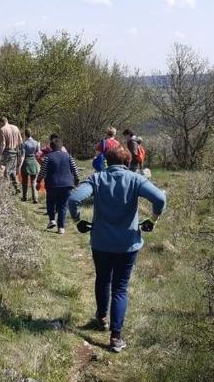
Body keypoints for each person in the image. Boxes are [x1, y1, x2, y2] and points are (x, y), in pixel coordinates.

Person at [67, 145, 166, 353]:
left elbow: (74, 199)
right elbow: (160, 198)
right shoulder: (135, 179)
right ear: (127, 162)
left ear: (107, 162)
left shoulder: (97, 178)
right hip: (127, 244)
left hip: (101, 242)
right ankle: (115, 337)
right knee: (120, 288)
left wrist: (78, 221)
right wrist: (153, 220)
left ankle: (101, 318)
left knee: (103, 279)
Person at [36, 137, 79, 234]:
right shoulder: (68, 156)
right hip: (67, 184)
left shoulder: (48, 157)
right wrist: (76, 181)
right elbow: (75, 169)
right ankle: (61, 227)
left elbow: (43, 171)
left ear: (51, 147)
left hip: (52, 184)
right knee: (63, 206)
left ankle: (52, 220)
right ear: (61, 146)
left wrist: (38, 181)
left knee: (50, 202)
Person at [0, 117, 24, 194]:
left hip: (7, 152)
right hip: (15, 152)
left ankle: (7, 190)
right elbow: (20, 141)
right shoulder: (15, 128)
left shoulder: (2, 129)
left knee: (5, 171)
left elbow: (3, 144)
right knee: (12, 170)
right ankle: (16, 187)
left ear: (1, 122)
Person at [20, 128, 41, 203]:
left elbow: (22, 155)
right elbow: (39, 154)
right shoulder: (36, 142)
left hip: (26, 162)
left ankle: (24, 197)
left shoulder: (24, 143)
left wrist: (20, 165)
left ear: (25, 135)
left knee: (24, 181)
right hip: (34, 162)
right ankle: (35, 198)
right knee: (33, 181)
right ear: (31, 134)